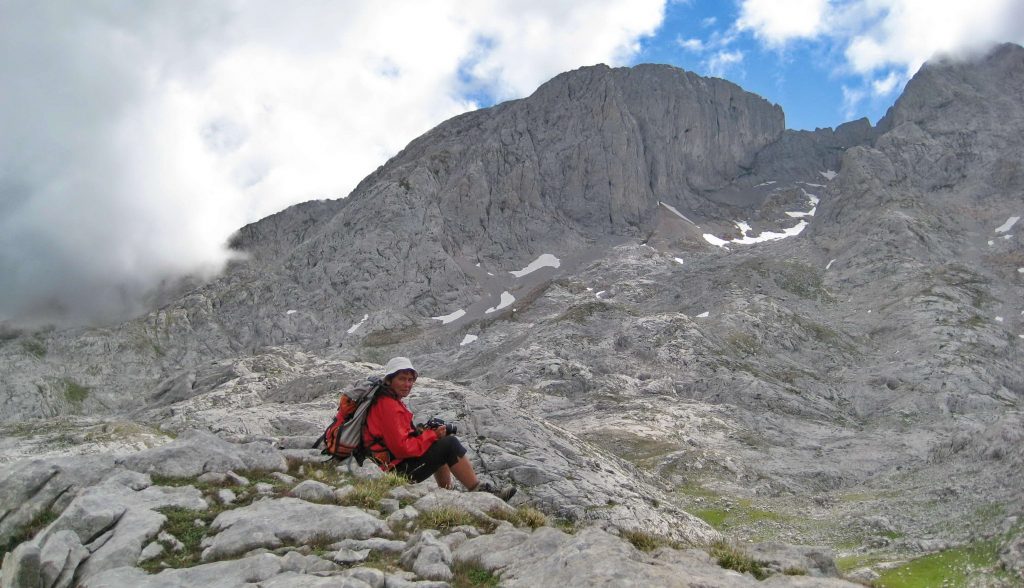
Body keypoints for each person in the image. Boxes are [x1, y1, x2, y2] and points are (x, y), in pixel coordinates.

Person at [362, 357, 516, 501]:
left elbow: (398, 439)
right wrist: (431, 435)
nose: (407, 384)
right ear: (389, 380)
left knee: (438, 445)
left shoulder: (388, 400)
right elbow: (402, 449)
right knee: (449, 444)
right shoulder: (388, 406)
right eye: (402, 379)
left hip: (388, 464)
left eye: (410, 380)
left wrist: (423, 433)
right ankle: (482, 492)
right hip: (392, 471)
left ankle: (447, 496)